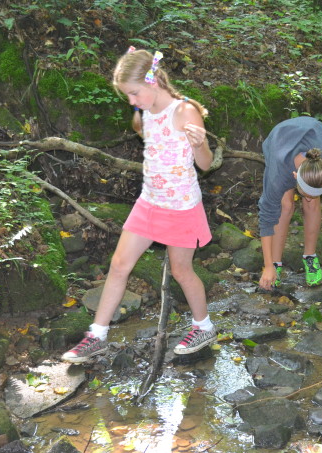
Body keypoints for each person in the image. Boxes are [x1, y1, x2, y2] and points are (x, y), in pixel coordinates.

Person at [62, 47, 216, 363]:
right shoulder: (146, 112)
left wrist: (200, 144)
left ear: (153, 81)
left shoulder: (184, 111)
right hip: (149, 202)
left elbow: (206, 163)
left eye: (134, 93)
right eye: (128, 96)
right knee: (119, 265)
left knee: (181, 270)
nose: (132, 101)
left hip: (181, 206)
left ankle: (203, 326)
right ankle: (97, 336)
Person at [257, 116, 322, 290]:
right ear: (295, 177)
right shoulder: (278, 175)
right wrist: (267, 266)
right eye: (306, 193)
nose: (309, 197)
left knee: (312, 204)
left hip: (312, 133)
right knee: (286, 206)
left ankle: (310, 257)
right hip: (279, 141)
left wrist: (311, 193)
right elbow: (266, 219)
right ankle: (275, 263)